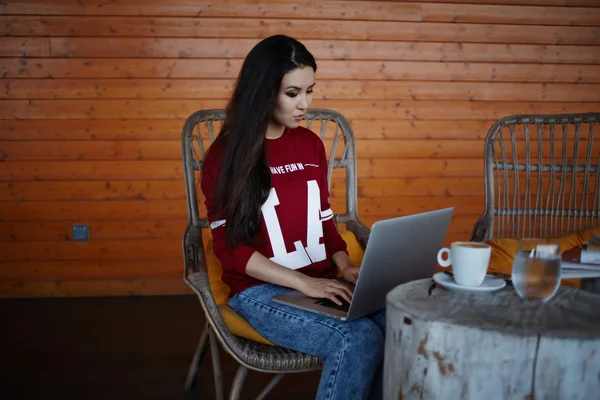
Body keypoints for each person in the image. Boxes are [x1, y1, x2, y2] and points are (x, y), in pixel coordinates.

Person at [201, 35, 385, 400]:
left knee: (401, 322)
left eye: (310, 91)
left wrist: (345, 264)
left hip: (320, 282)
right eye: (292, 93)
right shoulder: (226, 155)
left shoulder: (310, 145)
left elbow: (324, 221)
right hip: (260, 292)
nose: (305, 104)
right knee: (357, 337)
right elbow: (229, 249)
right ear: (263, 92)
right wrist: (304, 285)